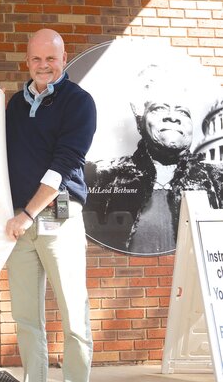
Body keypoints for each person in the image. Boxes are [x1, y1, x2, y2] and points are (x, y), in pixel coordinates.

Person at [0, 29, 97, 382]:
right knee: (27, 321)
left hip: (57, 219)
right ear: (28, 61)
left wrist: (27, 212)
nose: (43, 66)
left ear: (63, 58)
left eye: (50, 59)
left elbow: (63, 165)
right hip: (20, 229)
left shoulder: (79, 103)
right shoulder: (15, 105)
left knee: (75, 322)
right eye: (36, 59)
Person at [84, 65, 223, 255]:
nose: (173, 117)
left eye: (183, 112)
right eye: (159, 108)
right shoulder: (101, 176)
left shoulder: (218, 180)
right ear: (141, 119)